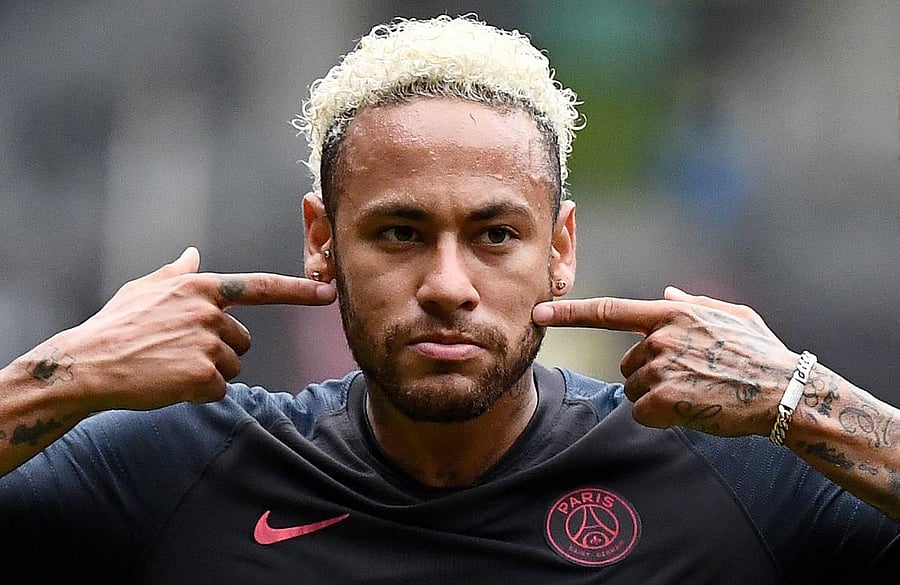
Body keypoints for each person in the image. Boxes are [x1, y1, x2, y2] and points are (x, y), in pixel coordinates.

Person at [0, 14, 898, 583]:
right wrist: (63, 372)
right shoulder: (172, 468)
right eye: (398, 233)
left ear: (562, 249)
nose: (447, 286)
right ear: (322, 240)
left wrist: (800, 397)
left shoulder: (728, 475)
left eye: (496, 234)